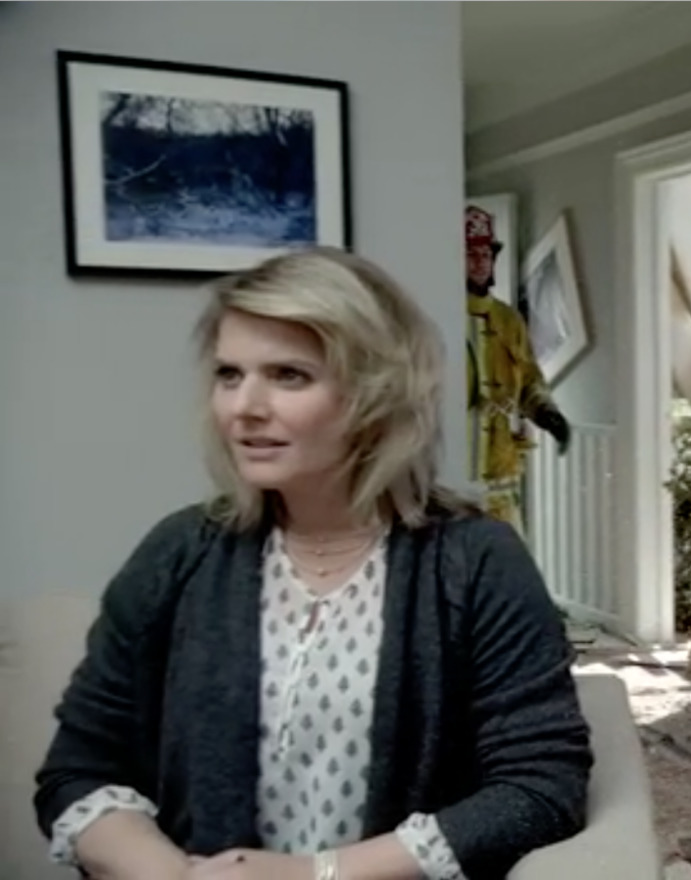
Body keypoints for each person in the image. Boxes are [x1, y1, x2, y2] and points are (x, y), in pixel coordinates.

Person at [35, 248, 593, 879]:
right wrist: (176, 876)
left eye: (289, 375)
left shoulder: (475, 560)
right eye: (229, 375)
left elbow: (542, 788)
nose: (244, 407)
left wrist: (317, 874)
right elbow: (78, 769)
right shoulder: (178, 552)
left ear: (376, 392)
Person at [465, 206, 571, 536]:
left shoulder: (508, 319)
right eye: (471, 254)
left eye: (486, 253)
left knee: (506, 559)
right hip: (458, 465)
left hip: (500, 466)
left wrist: (548, 413)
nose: (481, 261)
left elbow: (527, 378)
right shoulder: (440, 317)